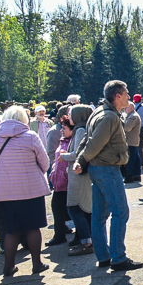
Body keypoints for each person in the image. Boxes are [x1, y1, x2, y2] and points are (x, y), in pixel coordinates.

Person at [73, 80, 142, 272]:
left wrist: (81, 159)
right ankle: (118, 258)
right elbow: (94, 142)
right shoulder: (109, 116)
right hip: (106, 169)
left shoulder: (101, 112)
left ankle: (104, 256)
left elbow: (88, 140)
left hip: (100, 169)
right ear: (117, 96)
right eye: (126, 93)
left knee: (100, 215)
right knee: (120, 212)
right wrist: (82, 160)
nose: (129, 96)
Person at [0, 106, 51, 277]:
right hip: (31, 190)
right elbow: (45, 163)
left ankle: (8, 266)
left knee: (10, 230)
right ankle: (37, 263)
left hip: (4, 192)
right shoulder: (31, 137)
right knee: (33, 227)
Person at [62, 106, 93, 255]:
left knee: (75, 208)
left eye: (71, 114)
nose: (69, 116)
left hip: (79, 176)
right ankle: (88, 241)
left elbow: (77, 154)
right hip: (79, 175)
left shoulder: (80, 130)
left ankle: (86, 243)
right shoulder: (81, 129)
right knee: (83, 209)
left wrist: (63, 156)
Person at [46, 116, 73, 247]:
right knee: (57, 209)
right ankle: (60, 233)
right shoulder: (63, 140)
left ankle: (62, 235)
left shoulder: (73, 142)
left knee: (72, 210)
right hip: (59, 182)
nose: (61, 130)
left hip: (67, 182)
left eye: (64, 128)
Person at [121, 100, 142, 183]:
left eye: (126, 107)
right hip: (133, 141)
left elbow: (126, 128)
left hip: (131, 141)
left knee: (130, 160)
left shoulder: (133, 116)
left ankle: (129, 176)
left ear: (132, 107)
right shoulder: (131, 115)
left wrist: (121, 121)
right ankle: (136, 175)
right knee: (135, 159)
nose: (125, 108)